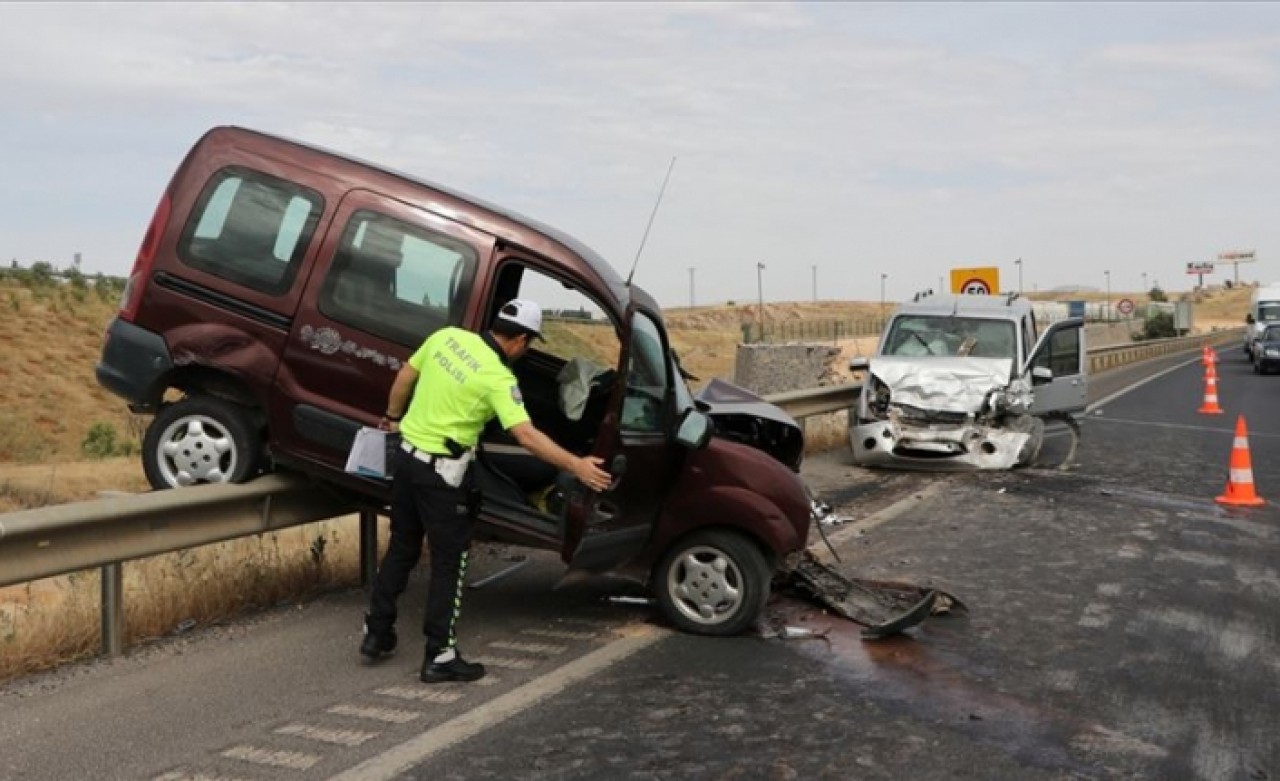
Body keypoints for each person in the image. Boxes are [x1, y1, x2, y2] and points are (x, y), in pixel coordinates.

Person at [359, 299, 613, 683]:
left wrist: (393, 419)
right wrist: (576, 465)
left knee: (402, 547)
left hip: (407, 463)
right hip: (442, 476)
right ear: (521, 341)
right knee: (450, 562)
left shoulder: (447, 338)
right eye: (528, 344)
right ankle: (440, 655)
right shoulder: (498, 378)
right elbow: (526, 436)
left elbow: (405, 376)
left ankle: (377, 633)